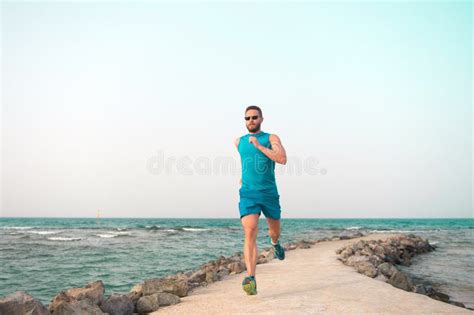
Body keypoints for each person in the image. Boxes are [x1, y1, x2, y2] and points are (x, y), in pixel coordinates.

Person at [234, 105, 287, 295]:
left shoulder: (271, 138)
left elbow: (281, 158)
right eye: (247, 118)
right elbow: (247, 163)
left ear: (261, 119)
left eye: (254, 117)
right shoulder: (238, 141)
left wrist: (259, 146)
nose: (251, 121)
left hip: (269, 193)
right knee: (250, 230)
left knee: (274, 232)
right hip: (248, 193)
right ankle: (251, 278)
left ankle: (275, 244)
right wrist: (244, 178)